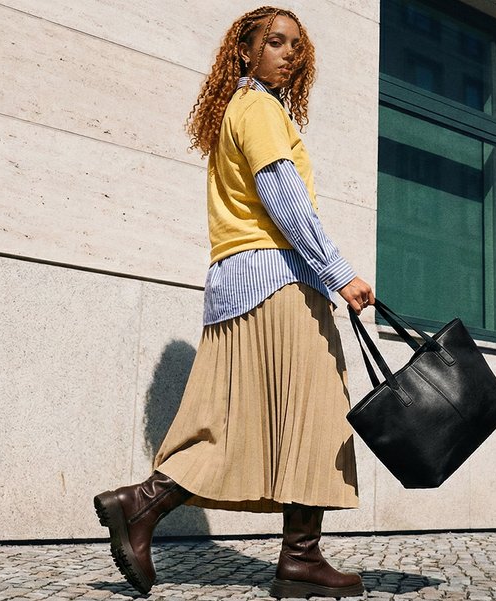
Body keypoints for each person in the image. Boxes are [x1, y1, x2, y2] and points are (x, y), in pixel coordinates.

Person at [92, 6, 375, 598]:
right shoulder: (260, 110)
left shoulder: (240, 109)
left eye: (296, 44)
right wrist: (339, 275)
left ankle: (153, 509)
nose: (289, 52)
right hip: (278, 283)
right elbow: (284, 200)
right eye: (275, 41)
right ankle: (284, 553)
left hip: (241, 285)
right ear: (244, 50)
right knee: (318, 413)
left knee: (238, 422)